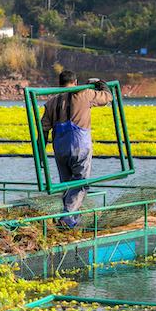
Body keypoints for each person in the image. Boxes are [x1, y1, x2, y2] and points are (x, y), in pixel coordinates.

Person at [41, 70, 112, 228]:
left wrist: (41, 151)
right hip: (80, 146)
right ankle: (67, 217)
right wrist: (102, 85)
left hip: (60, 149)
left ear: (59, 83)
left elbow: (43, 128)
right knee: (81, 182)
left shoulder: (51, 102)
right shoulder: (84, 94)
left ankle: (72, 218)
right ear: (75, 82)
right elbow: (107, 97)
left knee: (66, 184)